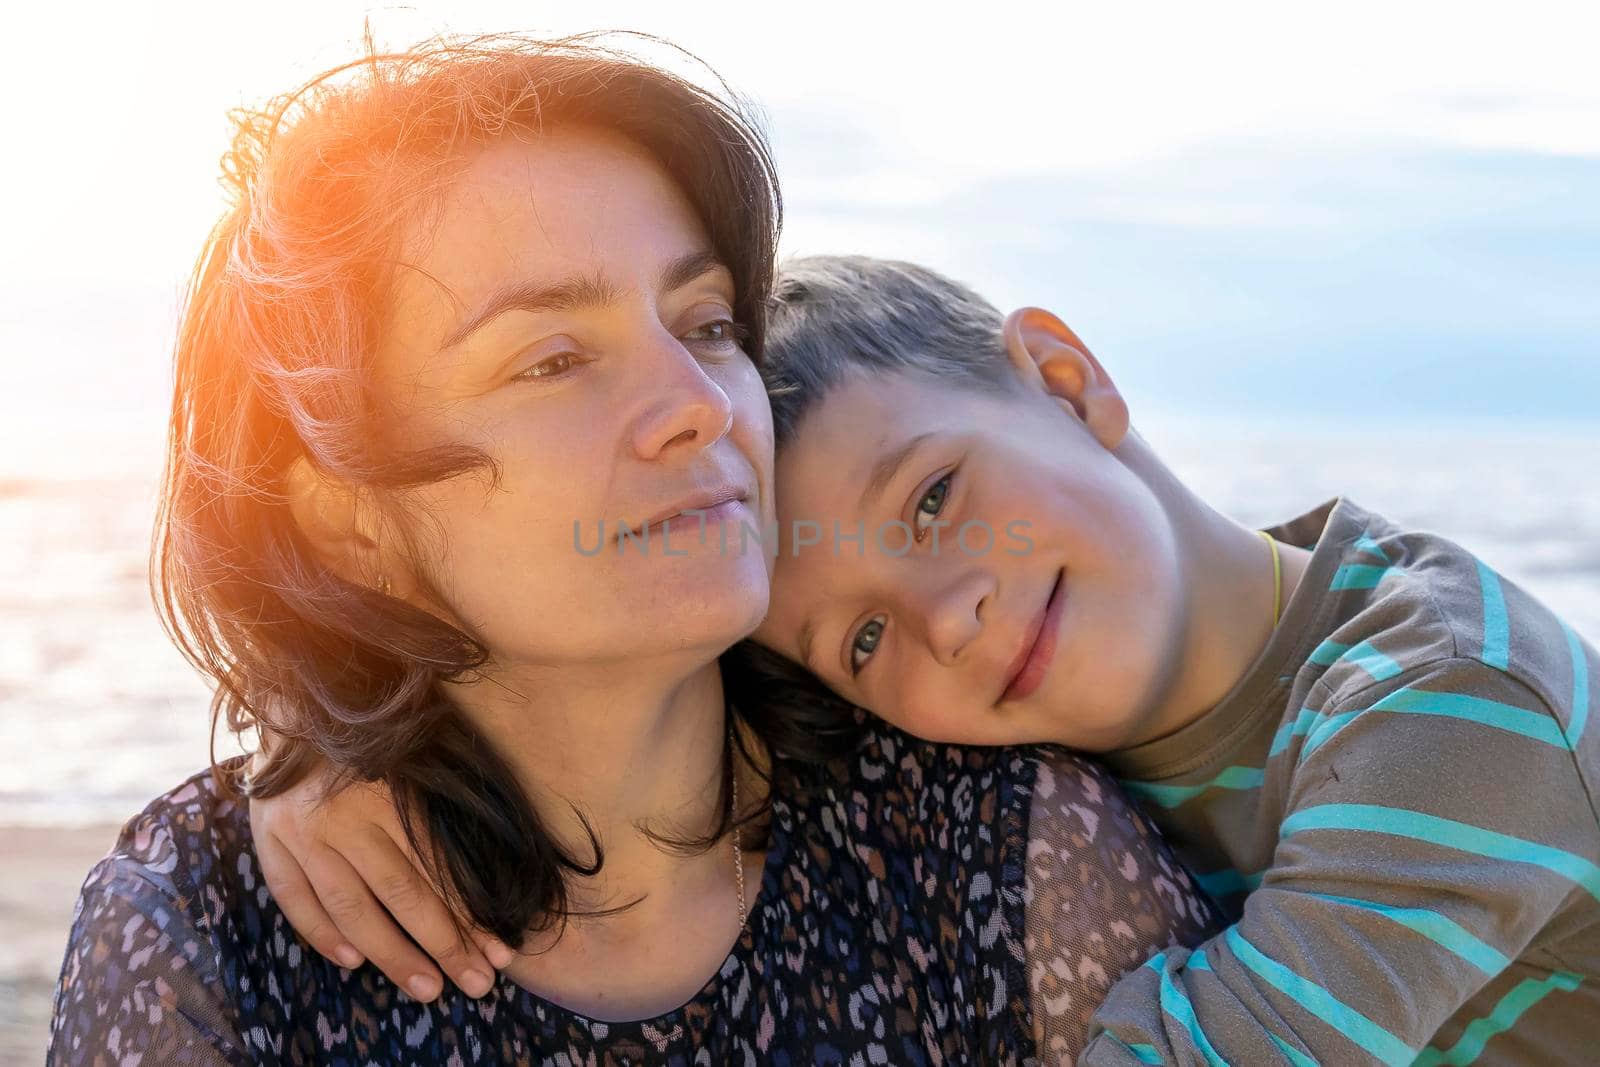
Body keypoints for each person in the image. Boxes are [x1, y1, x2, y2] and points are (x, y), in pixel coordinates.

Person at [47, 37, 1218, 1066]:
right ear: (348, 515)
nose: (698, 402)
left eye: (707, 324)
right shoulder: (205, 932)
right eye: (553, 358)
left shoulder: (1003, 837)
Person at [293, 252, 1600, 1064]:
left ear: (1064, 375)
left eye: (931, 497)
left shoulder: (1454, 706)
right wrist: (329, 752)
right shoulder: (1011, 745)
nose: (944, 615)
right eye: (859, 637)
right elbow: (637, 720)